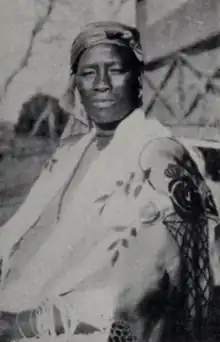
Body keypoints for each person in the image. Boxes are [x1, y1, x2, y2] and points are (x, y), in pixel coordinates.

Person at [0, 21, 219, 342]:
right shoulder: (73, 152)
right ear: (75, 83)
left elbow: (148, 294)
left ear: (138, 79)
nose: (101, 83)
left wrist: (18, 326)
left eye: (115, 70)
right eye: (88, 73)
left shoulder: (161, 155)